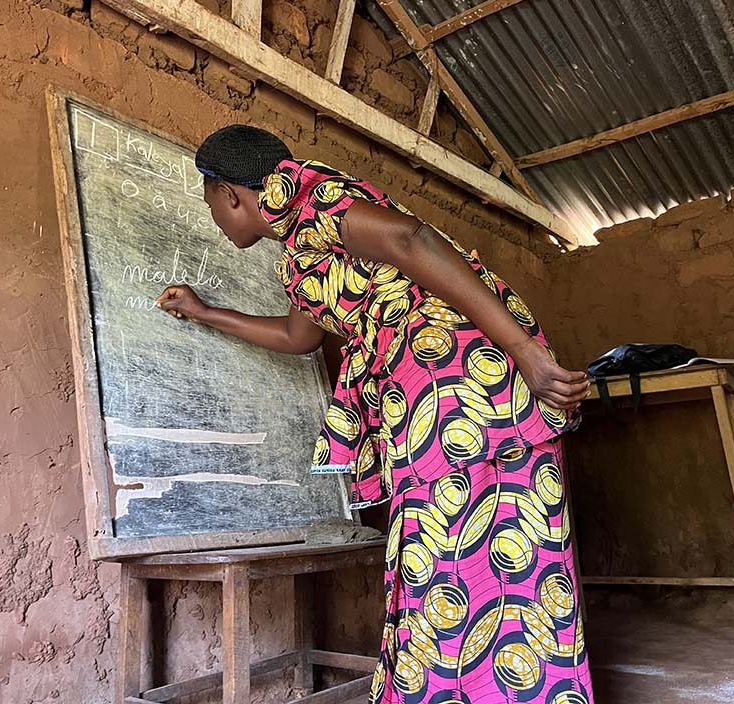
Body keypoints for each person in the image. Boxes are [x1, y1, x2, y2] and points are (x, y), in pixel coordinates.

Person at [156, 126, 595, 704]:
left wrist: (527, 353)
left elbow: (411, 240)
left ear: (231, 194)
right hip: (429, 400)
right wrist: (206, 312)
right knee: (470, 567)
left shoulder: (310, 194)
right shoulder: (300, 245)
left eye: (210, 200)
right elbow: (298, 336)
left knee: (455, 569)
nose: (213, 216)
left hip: (457, 390)